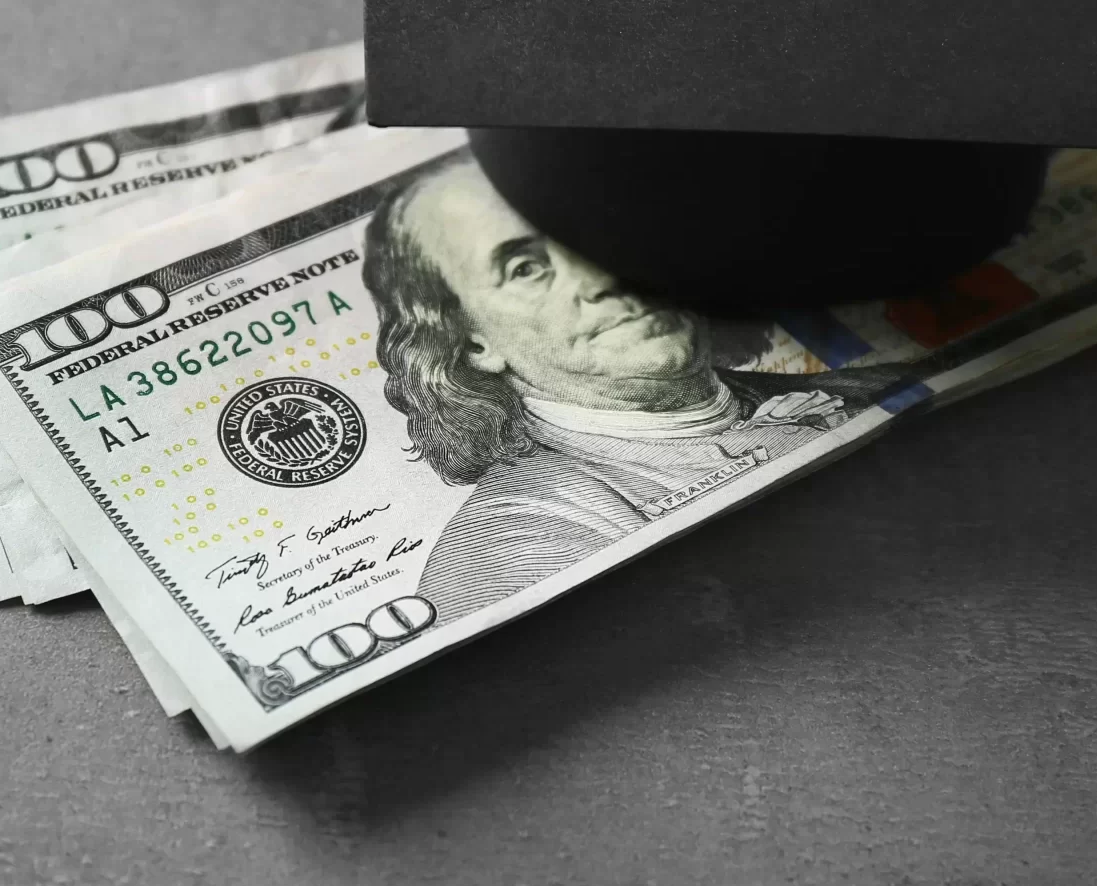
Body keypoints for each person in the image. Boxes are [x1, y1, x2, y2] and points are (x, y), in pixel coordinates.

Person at [361, 157, 908, 624]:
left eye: (591, 227)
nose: (601, 275)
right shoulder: (508, 548)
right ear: (472, 341)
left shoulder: (873, 389)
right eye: (527, 267)